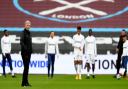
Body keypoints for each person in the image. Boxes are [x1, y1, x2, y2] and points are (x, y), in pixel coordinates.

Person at [20, 20, 32, 87]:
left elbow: (29, 44)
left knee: (27, 68)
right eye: (27, 25)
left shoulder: (29, 32)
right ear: (25, 25)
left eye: (29, 25)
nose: (28, 26)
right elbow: (21, 42)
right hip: (25, 53)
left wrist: (30, 50)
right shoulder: (23, 32)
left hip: (29, 53)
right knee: (26, 68)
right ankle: (23, 83)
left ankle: (26, 82)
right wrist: (26, 51)